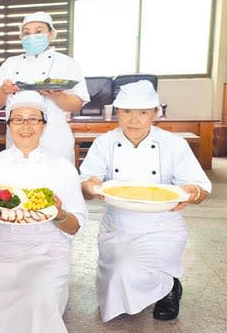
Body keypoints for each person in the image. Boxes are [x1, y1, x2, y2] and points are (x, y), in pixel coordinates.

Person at [80, 81, 211, 322]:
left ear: (155, 114)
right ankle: (162, 281)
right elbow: (87, 182)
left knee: (131, 270)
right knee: (118, 278)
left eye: (143, 112)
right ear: (117, 113)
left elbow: (201, 188)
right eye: (126, 111)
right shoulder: (104, 143)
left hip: (162, 225)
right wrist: (90, 185)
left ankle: (169, 286)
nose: (134, 120)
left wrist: (191, 192)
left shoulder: (174, 144)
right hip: (117, 225)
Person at [0, 91, 87, 333]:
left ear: (44, 125)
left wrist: (59, 213)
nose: (25, 126)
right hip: (5, 252)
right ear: (8, 125)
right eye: (18, 119)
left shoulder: (63, 168)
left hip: (50, 251)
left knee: (40, 299)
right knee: (0, 319)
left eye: (33, 119)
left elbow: (76, 227)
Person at [0, 11, 89, 163]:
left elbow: (76, 105)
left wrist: (57, 95)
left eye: (38, 31)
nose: (32, 36)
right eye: (26, 33)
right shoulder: (10, 63)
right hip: (18, 139)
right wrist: (3, 90)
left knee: (57, 182)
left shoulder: (67, 63)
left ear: (51, 34)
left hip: (54, 139)